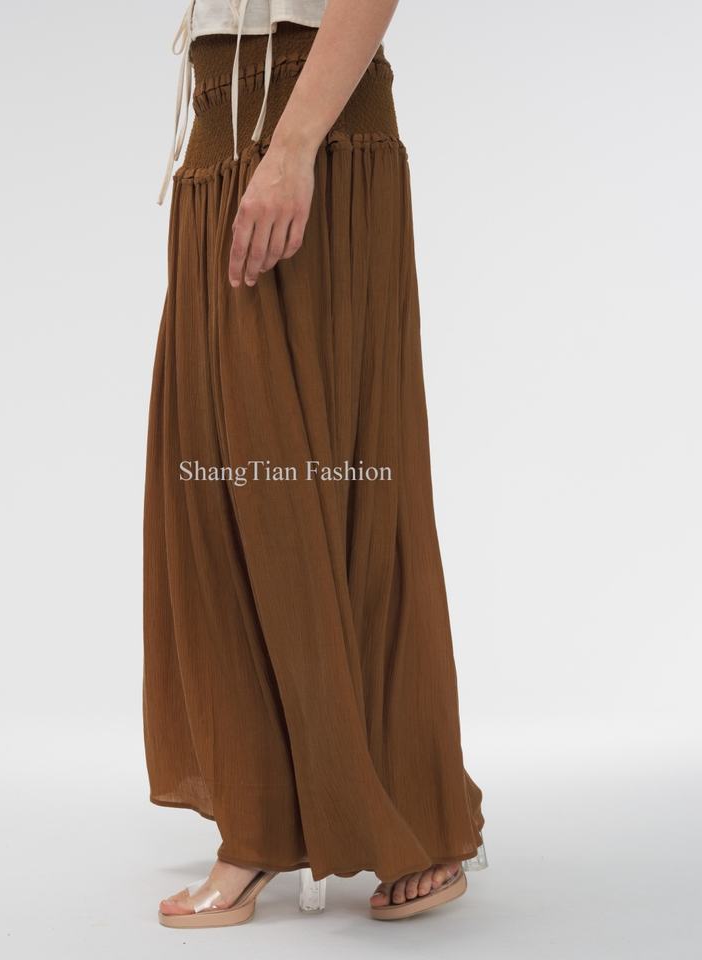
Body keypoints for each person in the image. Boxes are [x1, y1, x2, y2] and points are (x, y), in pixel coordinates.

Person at [143, 0, 487, 927]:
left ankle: (420, 813)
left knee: (344, 491)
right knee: (222, 495)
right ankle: (259, 819)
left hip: (312, 131)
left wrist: (292, 150)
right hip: (220, 140)